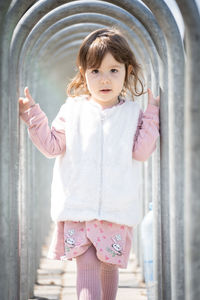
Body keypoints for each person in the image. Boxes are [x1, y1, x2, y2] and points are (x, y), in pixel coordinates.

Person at [19, 27, 160, 300]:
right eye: (95, 71)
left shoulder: (132, 113)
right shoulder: (73, 110)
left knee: (109, 266)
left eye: (113, 70)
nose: (104, 79)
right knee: (86, 268)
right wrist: (33, 116)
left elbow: (142, 152)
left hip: (115, 211)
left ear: (127, 72)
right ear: (83, 73)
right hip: (78, 209)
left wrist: (152, 113)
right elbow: (51, 146)